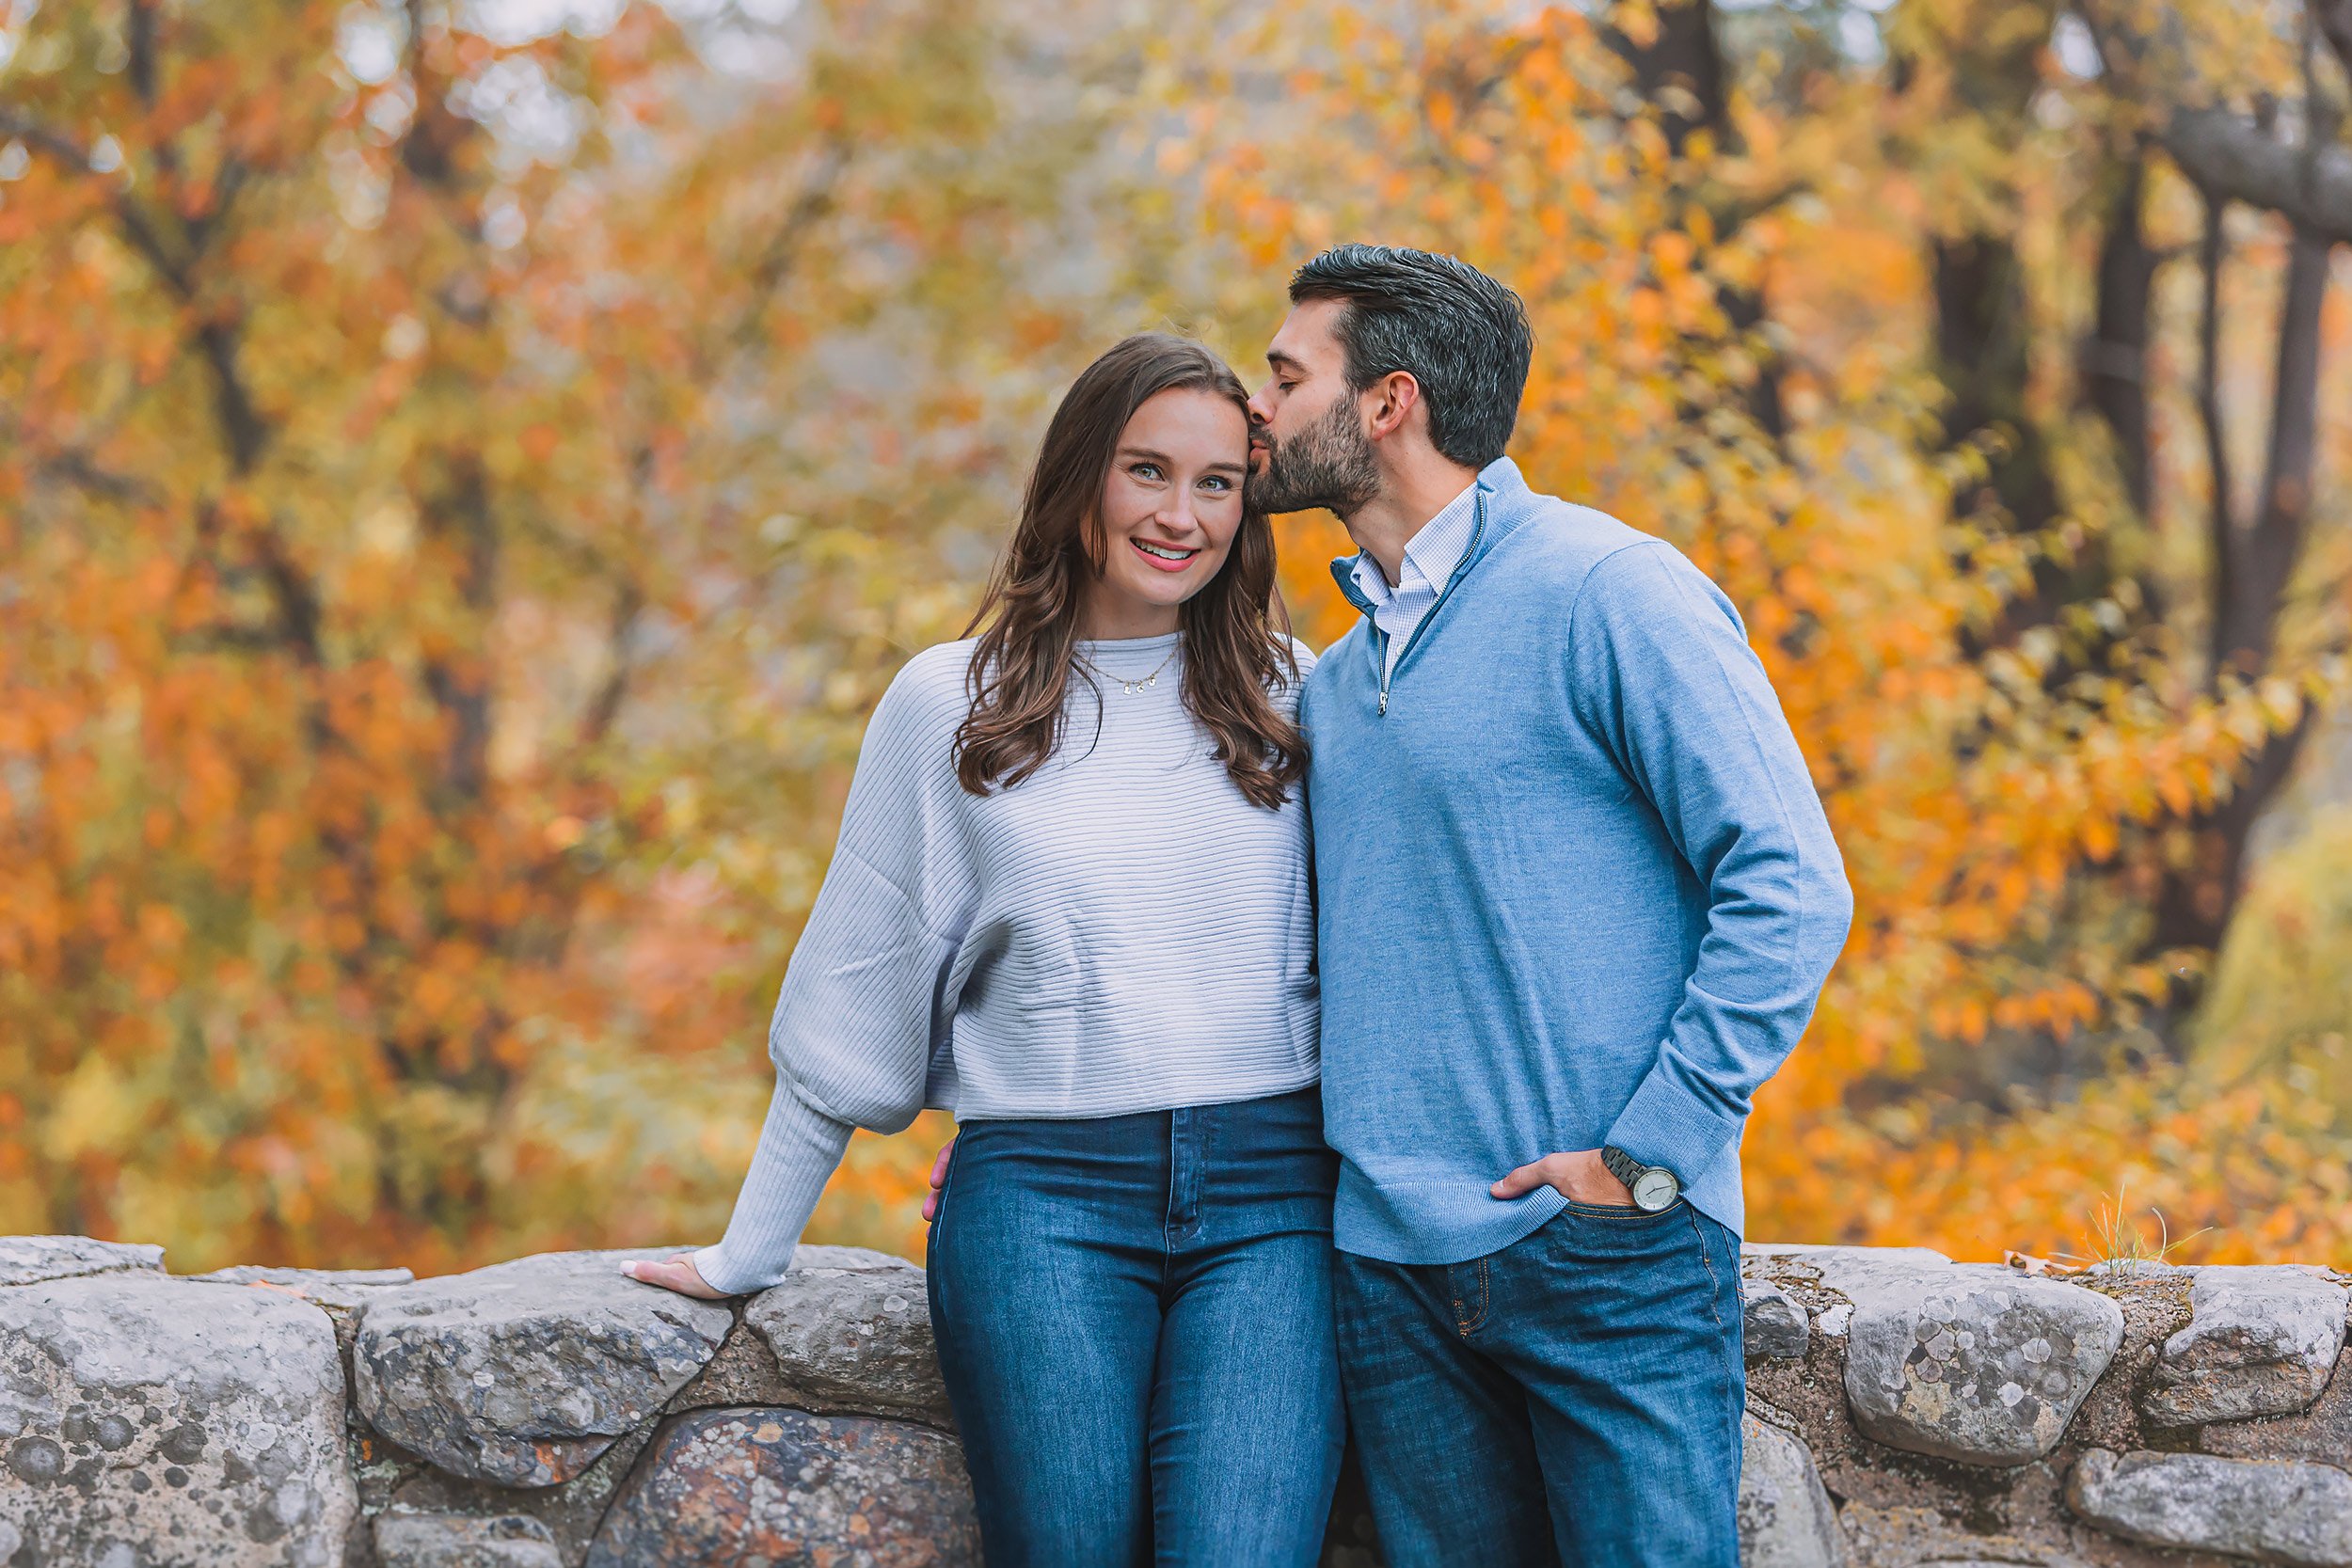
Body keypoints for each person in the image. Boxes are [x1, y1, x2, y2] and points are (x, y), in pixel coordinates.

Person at [624, 333, 1343, 1567]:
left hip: (1277, 1204)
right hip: (1045, 1207)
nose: (1181, 514)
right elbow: (861, 986)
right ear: (1079, 482)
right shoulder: (948, 702)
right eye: (1146, 472)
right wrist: (751, 1248)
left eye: (1218, 482)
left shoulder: (1293, 692)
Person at [1248, 244, 1851, 1567]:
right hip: (1394, 1279)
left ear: (1387, 402)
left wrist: (1647, 1158)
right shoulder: (1339, 685)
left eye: (1287, 378)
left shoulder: (1608, 590)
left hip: (1609, 1260)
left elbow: (1792, 884)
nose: (1259, 409)